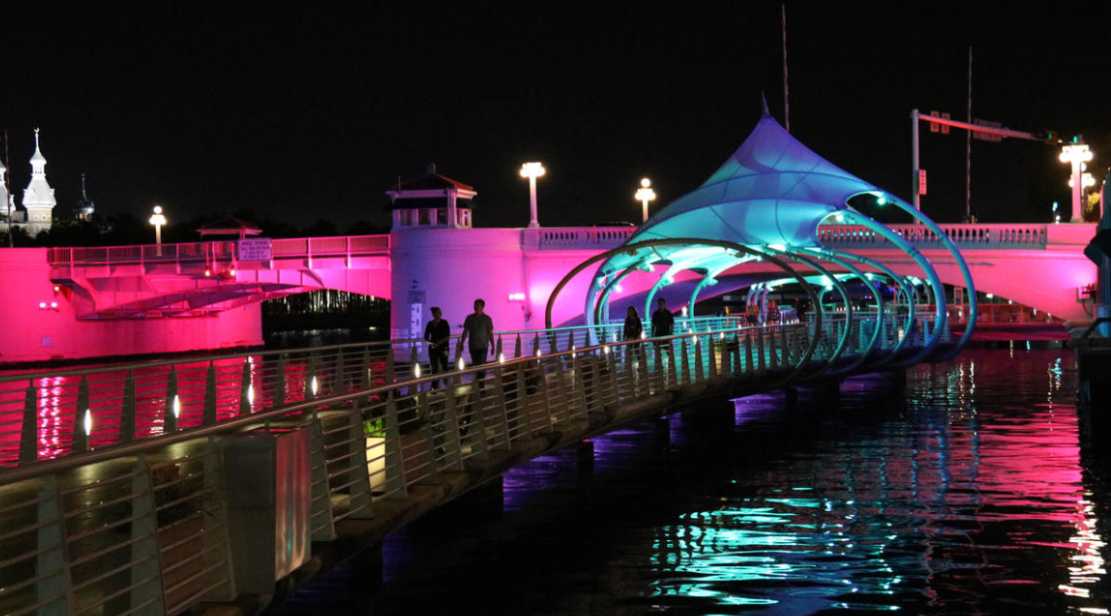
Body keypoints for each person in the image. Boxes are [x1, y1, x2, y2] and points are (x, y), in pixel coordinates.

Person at [460, 298, 496, 383]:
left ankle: (481, 385)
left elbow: (490, 333)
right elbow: (465, 331)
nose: (475, 307)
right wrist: (462, 343)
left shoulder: (487, 319)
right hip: (473, 346)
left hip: (483, 346)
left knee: (482, 365)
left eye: (477, 305)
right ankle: (478, 383)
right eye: (475, 305)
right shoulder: (469, 318)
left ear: (482, 307)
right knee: (476, 365)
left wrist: (493, 346)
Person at [423, 306, 450, 388]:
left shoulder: (444, 323)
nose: (440, 313)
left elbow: (447, 336)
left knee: (444, 365)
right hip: (433, 348)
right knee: (434, 366)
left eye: (440, 312)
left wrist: (438, 343)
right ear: (434, 314)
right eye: (438, 312)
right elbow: (426, 337)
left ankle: (447, 384)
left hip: (443, 347)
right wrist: (432, 343)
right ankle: (434, 386)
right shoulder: (430, 324)